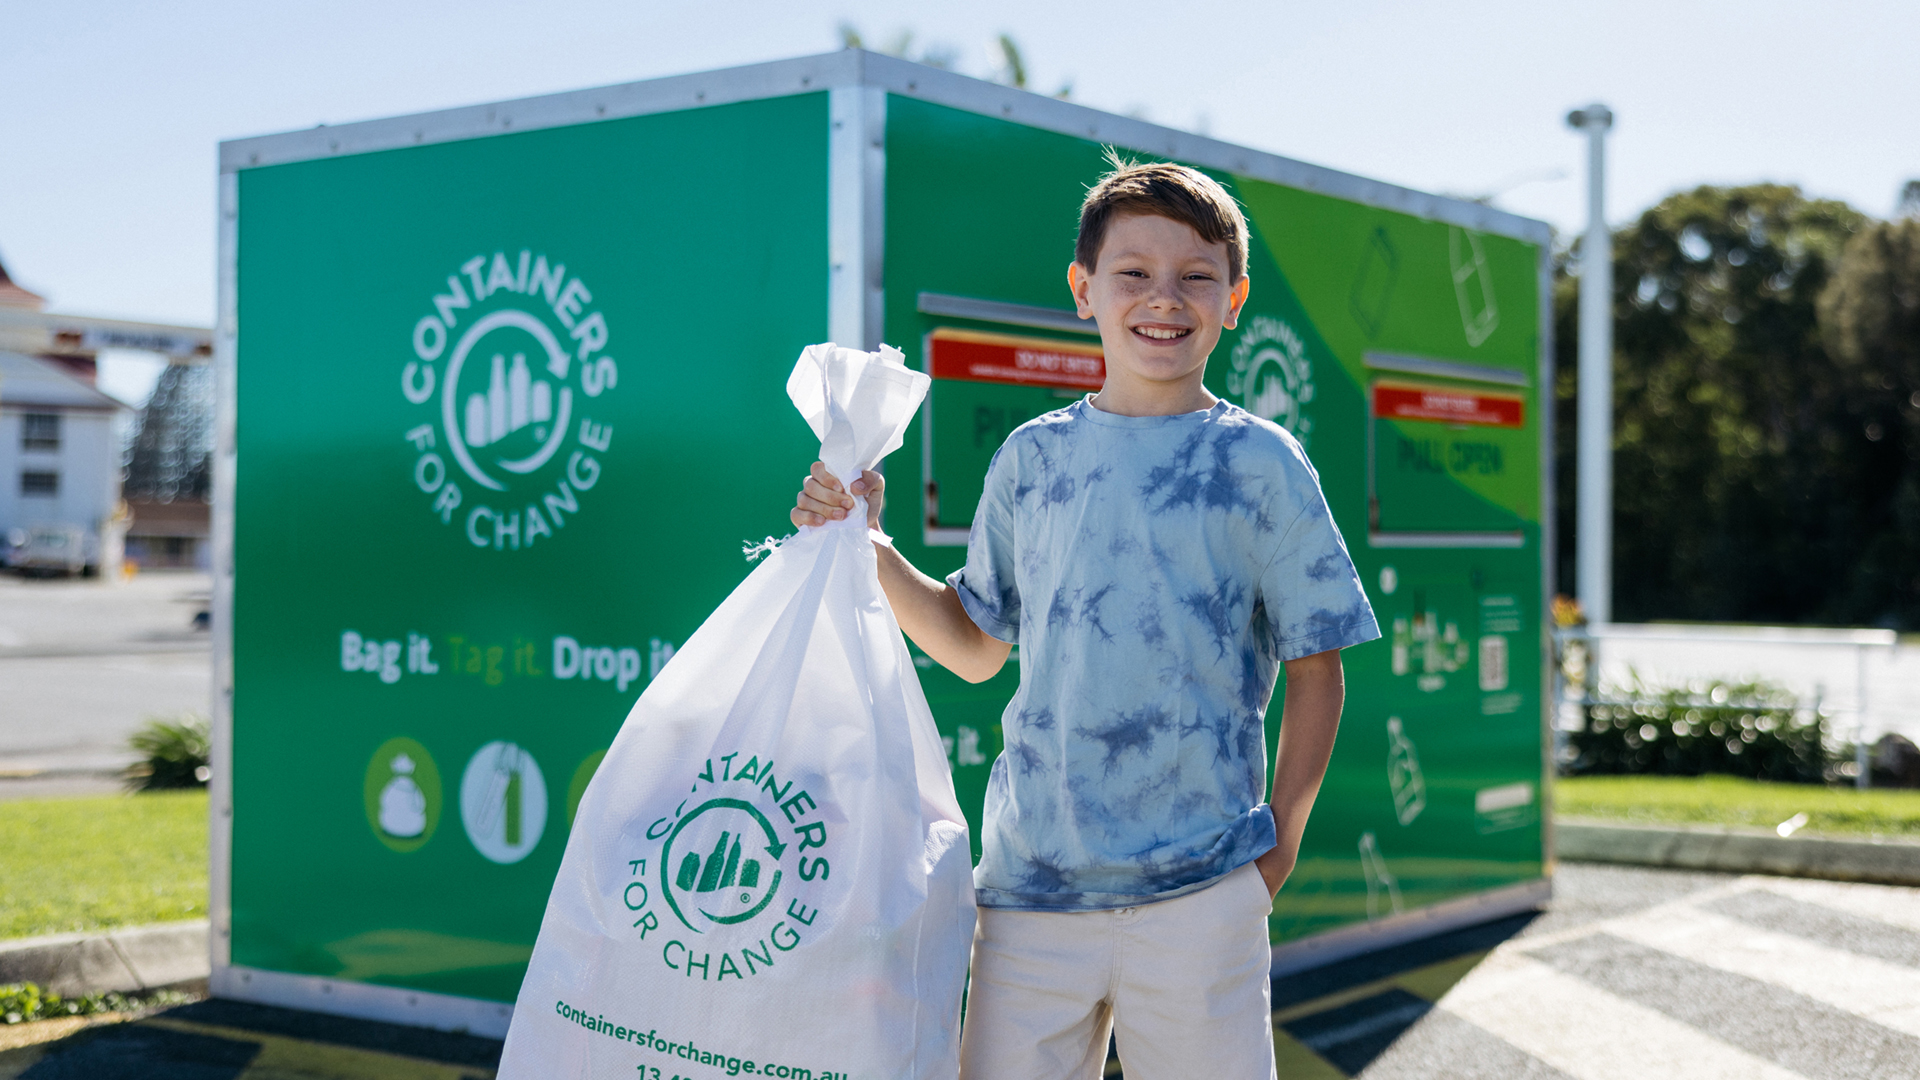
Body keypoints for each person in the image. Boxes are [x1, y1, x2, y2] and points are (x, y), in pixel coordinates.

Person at [791, 157, 1379, 1079]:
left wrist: (1278, 849)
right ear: (1083, 289)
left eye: (1196, 276)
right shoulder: (1032, 461)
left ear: (1234, 299)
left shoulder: (1263, 464)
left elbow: (1320, 666)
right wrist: (865, 546)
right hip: (1030, 896)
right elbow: (977, 646)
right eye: (1133, 273)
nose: (1164, 298)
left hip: (1203, 892)